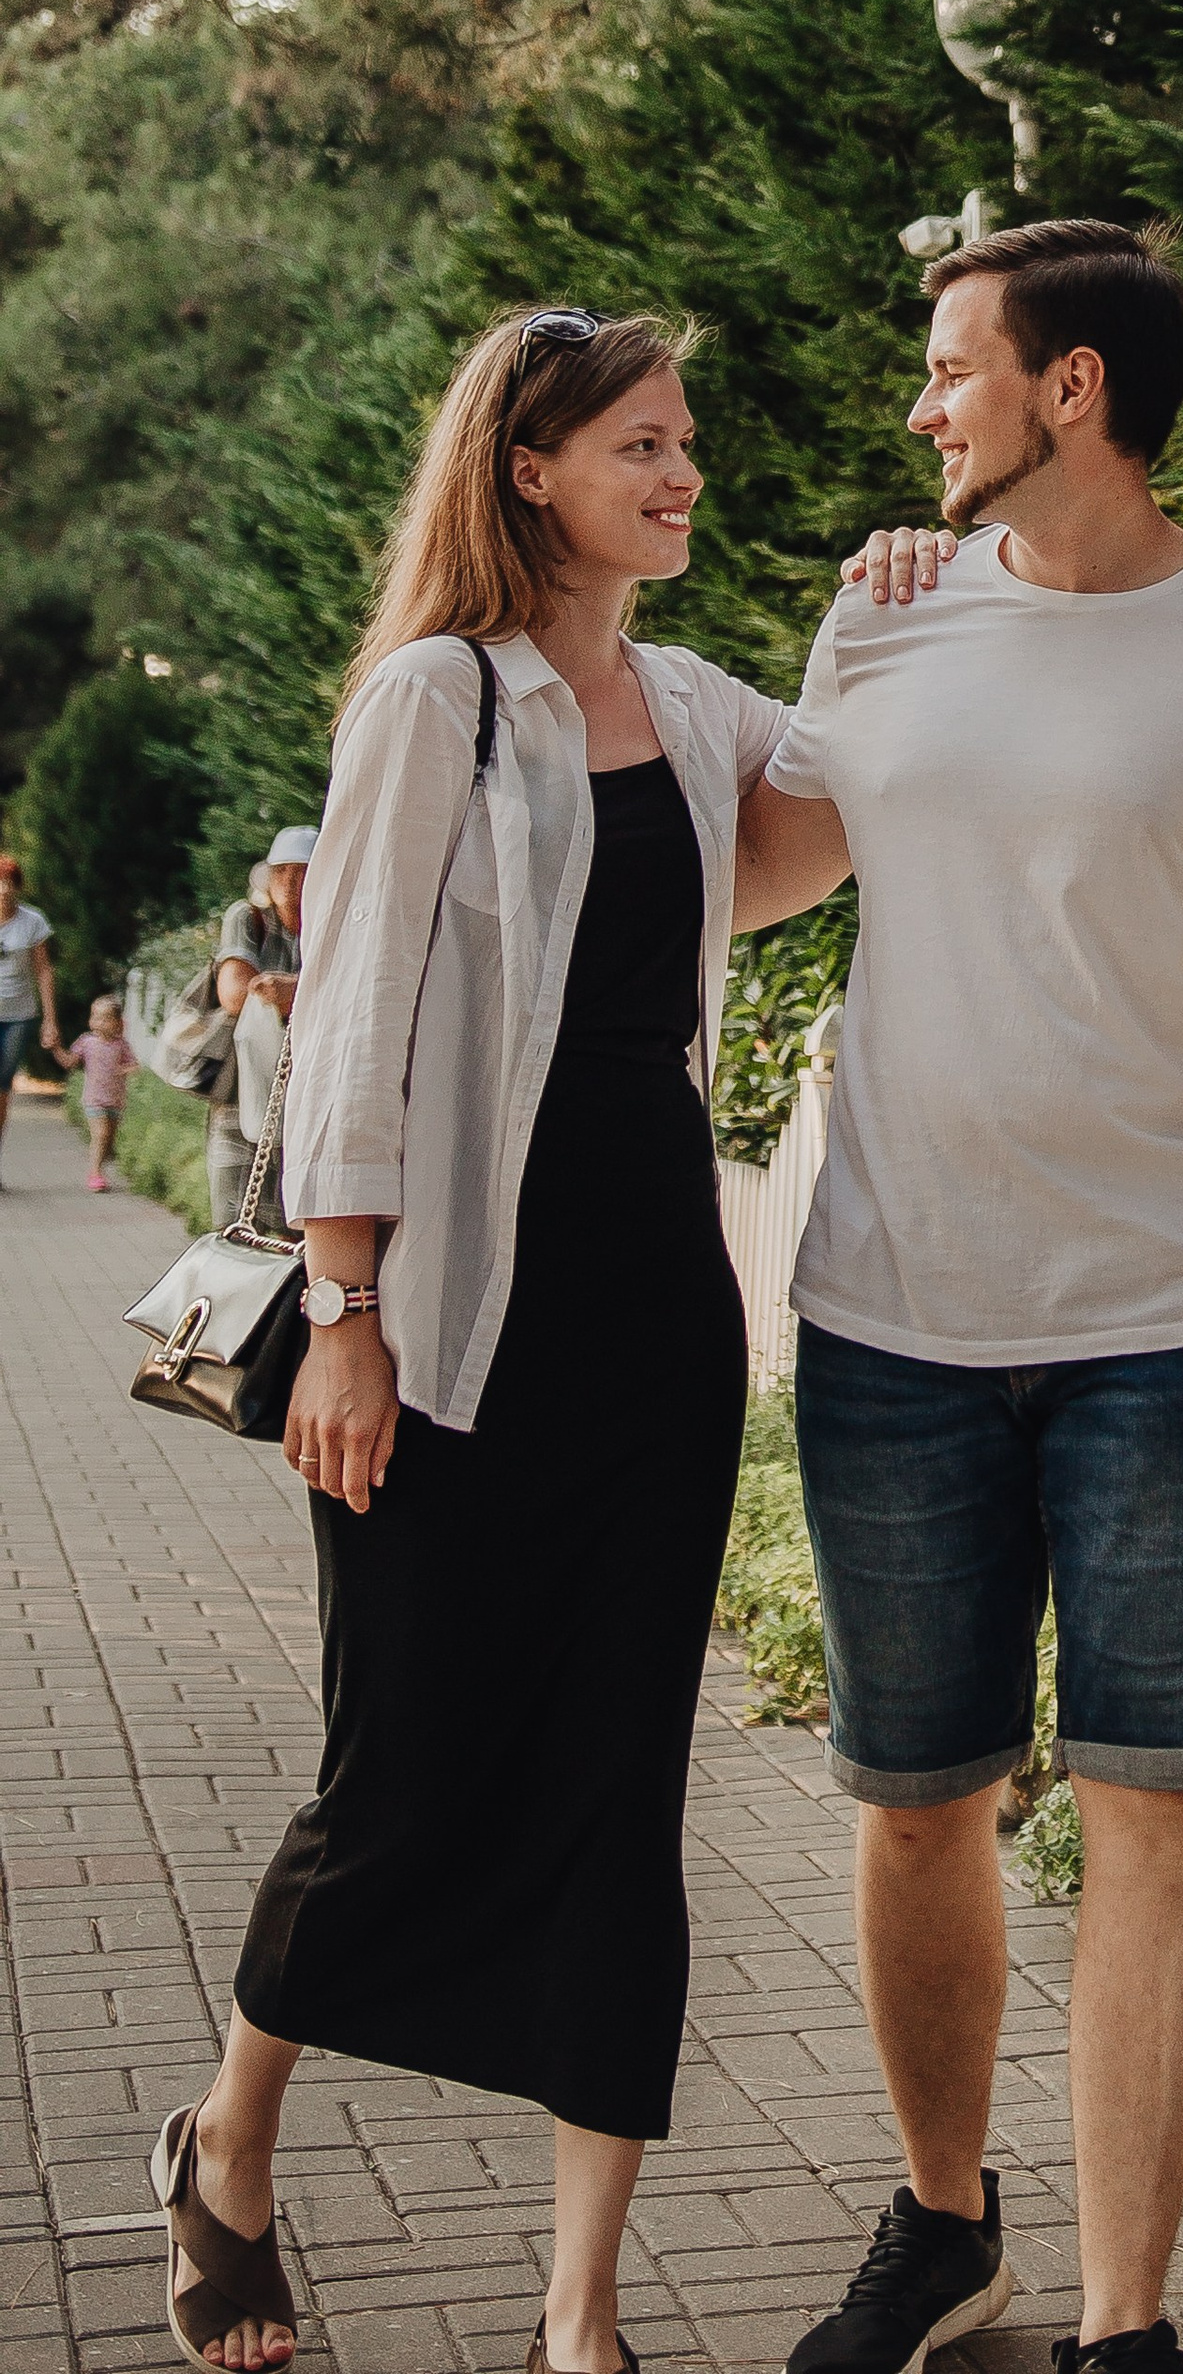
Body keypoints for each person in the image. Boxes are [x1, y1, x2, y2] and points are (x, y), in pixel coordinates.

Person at [153, 305, 861, 2374]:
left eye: (685, 441)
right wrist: (345, 1314)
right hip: (451, 1316)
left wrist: (894, 612)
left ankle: (579, 2311)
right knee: (409, 1772)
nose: (682, 473)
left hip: (655, 1312)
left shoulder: (693, 702)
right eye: (642, 442)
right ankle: (229, 2146)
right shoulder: (436, 698)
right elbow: (357, 1011)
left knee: (615, 1790)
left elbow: (829, 828)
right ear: (529, 469)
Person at [737, 220, 1183, 2374]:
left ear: (1072, 388)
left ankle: (1127, 2326)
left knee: (1154, 1815)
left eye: (952, 368)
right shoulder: (886, 617)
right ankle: (946, 2229)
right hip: (892, 1315)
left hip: (1177, 1333)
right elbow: (755, 878)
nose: (920, 407)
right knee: (914, 1799)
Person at [208, 842, 313, 1235]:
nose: (290, 882)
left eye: (302, 871)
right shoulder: (248, 917)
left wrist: (294, 991)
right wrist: (301, 992)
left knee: (301, 1219)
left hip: (310, 1090)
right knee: (234, 1220)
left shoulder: (337, 919)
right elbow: (235, 993)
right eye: (281, 870)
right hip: (243, 1088)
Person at [0, 853, 60, 1191]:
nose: (4, 890)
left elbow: (44, 971)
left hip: (17, 1016)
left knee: (1, 1087)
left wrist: (50, 1021)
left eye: (9, 883)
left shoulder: (32, 921)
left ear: (17, 887)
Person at [58, 990, 140, 1190]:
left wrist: (123, 1070)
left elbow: (135, 1066)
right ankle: (95, 1174)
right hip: (94, 1099)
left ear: (117, 1023)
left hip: (116, 1100)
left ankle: (100, 1165)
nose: (99, 1022)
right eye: (95, 1017)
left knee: (109, 1140)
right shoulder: (86, 1042)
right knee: (101, 1134)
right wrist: (55, 1048)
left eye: (105, 1019)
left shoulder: (121, 1045)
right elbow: (69, 1062)